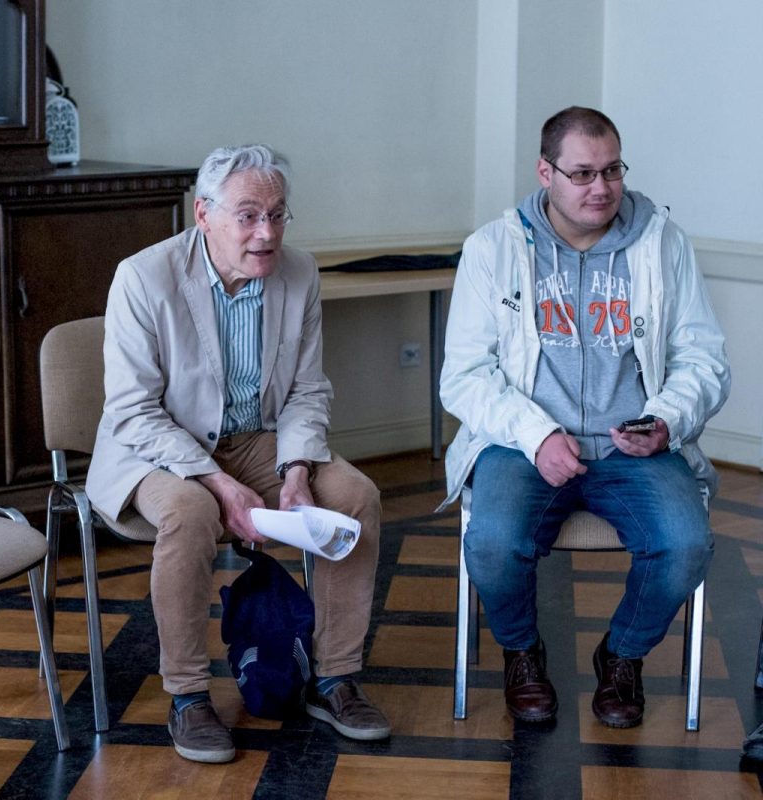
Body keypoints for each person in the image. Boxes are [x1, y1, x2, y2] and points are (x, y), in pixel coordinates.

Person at [88, 144, 388, 763]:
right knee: (191, 511)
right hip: (158, 447)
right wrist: (218, 485)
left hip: (255, 438)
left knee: (355, 497)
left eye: (277, 215)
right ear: (204, 214)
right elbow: (133, 410)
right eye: (248, 216)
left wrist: (297, 471)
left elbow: (306, 390)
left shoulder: (299, 273)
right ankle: (187, 695)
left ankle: (334, 678)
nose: (266, 233)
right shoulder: (144, 277)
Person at [438, 106, 730, 729]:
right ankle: (522, 653)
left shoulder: (662, 242)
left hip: (634, 449)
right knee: (491, 544)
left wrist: (665, 420)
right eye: (582, 174)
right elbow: (464, 375)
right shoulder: (493, 248)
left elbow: (703, 359)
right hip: (523, 446)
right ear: (545, 172)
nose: (601, 187)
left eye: (612, 170)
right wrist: (536, 434)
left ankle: (621, 656)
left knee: (685, 544)